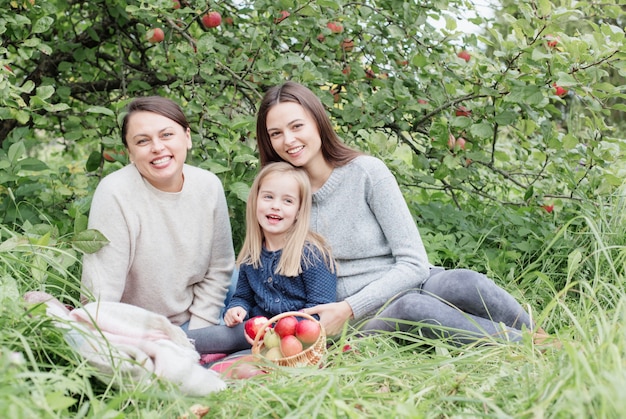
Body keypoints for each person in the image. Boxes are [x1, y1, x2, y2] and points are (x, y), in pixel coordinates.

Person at [255, 81, 553, 346]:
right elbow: (262, 264)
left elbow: (414, 263)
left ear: (317, 123)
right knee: (413, 309)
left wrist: (352, 306)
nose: (288, 140)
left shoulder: (366, 173)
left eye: (297, 126)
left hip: (406, 283)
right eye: (276, 133)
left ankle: (538, 335)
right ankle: (525, 347)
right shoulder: (279, 199)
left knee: (462, 281)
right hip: (353, 319)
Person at [81, 95, 237, 344]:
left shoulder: (208, 185)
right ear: (130, 153)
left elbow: (219, 268)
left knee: (245, 279)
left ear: (187, 137)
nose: (157, 147)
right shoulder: (114, 193)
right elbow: (100, 294)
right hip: (137, 330)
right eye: (142, 141)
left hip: (196, 318)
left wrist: (198, 335)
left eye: (166, 135)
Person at [186, 161, 337, 353]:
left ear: (299, 211)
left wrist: (279, 331)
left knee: (237, 364)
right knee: (209, 339)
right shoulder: (253, 255)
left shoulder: (312, 254)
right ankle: (167, 343)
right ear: (255, 201)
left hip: (295, 340)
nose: (275, 206)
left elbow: (319, 311)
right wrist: (237, 309)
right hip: (254, 333)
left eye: (287, 201)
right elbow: (242, 297)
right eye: (268, 197)